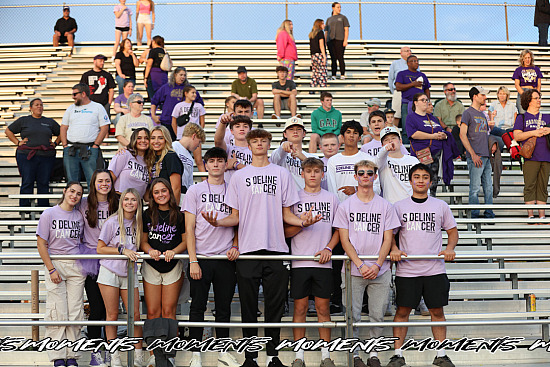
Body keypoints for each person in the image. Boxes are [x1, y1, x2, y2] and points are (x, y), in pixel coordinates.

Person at [202, 128, 321, 367]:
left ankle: (273, 356)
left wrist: (303, 221)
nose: (258, 144)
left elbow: (287, 213)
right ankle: (250, 357)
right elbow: (235, 216)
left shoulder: (281, 174)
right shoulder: (238, 177)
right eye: (254, 141)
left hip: (276, 249)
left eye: (263, 141)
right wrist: (218, 221)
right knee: (248, 308)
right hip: (247, 250)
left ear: (269, 144)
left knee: (274, 307)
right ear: (249, 144)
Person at [386, 163, 458, 367]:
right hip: (407, 271)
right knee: (402, 312)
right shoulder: (399, 206)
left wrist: (450, 248)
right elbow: (389, 234)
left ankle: (441, 354)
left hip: (434, 269)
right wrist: (394, 248)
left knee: (437, 312)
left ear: (430, 181)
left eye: (424, 177)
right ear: (410, 181)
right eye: (416, 177)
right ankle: (398, 354)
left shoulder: (440, 206)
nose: (420, 180)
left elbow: (452, 232)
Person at [333, 160, 400, 367]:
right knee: (352, 315)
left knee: (377, 315)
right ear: (355, 176)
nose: (365, 176)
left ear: (374, 176)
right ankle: (354, 355)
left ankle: (373, 355)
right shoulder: (346, 206)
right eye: (361, 173)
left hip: (380, 269)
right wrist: (361, 265)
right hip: (354, 269)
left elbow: (388, 239)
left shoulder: (385, 205)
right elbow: (344, 240)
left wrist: (377, 265)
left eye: (369, 173)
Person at [183, 147, 240, 367]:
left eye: (220, 161)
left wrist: (236, 245)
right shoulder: (195, 191)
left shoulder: (233, 190)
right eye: (212, 161)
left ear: (226, 164)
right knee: (197, 306)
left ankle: (223, 351)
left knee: (223, 306)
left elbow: (239, 222)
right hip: (202, 258)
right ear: (205, 165)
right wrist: (193, 260)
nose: (216, 165)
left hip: (225, 259)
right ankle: (195, 352)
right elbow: (189, 227)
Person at [285, 158, 339, 367]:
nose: (313, 175)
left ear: (323, 174)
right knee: (299, 309)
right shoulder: (294, 198)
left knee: (323, 309)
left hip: (323, 262)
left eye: (317, 171)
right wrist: (303, 224)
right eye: (309, 171)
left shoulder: (332, 199)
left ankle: (326, 355)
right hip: (300, 262)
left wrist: (328, 248)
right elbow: (286, 232)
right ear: (302, 174)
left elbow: (339, 230)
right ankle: (299, 355)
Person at [37, 181, 85, 367]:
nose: (74, 196)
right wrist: (51, 269)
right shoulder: (49, 214)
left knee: (75, 311)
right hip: (55, 263)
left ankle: (72, 355)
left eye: (79, 194)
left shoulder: (79, 216)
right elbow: (41, 244)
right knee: (57, 311)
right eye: (72, 191)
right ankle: (58, 355)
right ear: (65, 191)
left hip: (75, 266)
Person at [141, 178, 186, 367]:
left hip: (172, 265)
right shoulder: (146, 214)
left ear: (170, 192)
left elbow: (185, 241)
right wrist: (149, 250)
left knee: (169, 312)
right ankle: (154, 354)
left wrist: (174, 251)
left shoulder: (179, 215)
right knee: (153, 312)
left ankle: (169, 355)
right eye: (156, 192)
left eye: (163, 191)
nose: (160, 195)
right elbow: (142, 241)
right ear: (152, 195)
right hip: (152, 265)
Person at [97, 188, 144, 367]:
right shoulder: (112, 222)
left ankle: (138, 355)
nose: (129, 203)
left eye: (133, 200)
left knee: (135, 315)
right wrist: (121, 250)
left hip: (130, 272)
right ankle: (114, 355)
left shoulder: (139, 223)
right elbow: (100, 248)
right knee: (112, 315)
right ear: (121, 202)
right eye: (126, 199)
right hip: (110, 271)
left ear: (138, 203)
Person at [78, 170, 119, 367]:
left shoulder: (118, 202)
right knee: (96, 309)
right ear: (93, 183)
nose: (104, 184)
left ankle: (112, 349)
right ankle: (96, 351)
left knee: (111, 310)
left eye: (107, 180)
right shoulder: (84, 203)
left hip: (113, 258)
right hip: (92, 258)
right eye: (100, 181)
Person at [5, 98, 60, 207]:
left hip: (46, 157)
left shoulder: (49, 121)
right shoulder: (24, 120)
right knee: (27, 182)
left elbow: (62, 132)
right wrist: (17, 142)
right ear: (31, 108)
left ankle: (43, 210)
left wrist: (56, 143)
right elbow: (8, 131)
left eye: (41, 105)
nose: (39, 107)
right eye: (36, 105)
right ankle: (24, 209)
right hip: (27, 156)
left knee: (44, 183)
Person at [60, 84, 110, 187]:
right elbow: (63, 127)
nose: (73, 97)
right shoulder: (70, 108)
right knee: (71, 182)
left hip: (90, 149)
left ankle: (93, 203)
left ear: (83, 94)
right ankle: (73, 203)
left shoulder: (97, 107)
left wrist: (96, 145)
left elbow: (105, 127)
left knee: (93, 181)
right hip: (71, 149)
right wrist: (65, 145)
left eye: (75, 94)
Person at [513, 89, 550, 220]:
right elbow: (517, 136)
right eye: (536, 98)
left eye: (539, 98)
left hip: (546, 156)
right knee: (530, 185)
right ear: (528, 100)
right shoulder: (522, 117)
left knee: (543, 186)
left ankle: (542, 217)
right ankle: (530, 216)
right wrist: (534, 132)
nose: (539, 100)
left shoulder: (547, 117)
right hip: (530, 157)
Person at [460, 86, 495, 219]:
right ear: (475, 96)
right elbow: (463, 135)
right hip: (476, 156)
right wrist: (473, 154)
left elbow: (485, 134)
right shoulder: (467, 113)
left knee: (488, 188)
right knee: (475, 188)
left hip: (485, 155)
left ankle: (489, 212)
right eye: (482, 95)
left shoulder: (482, 114)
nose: (485, 97)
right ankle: (474, 215)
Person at [327, 120, 379, 202]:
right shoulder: (333, 161)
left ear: (359, 138)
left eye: (355, 133)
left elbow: (377, 188)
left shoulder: (369, 159)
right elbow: (332, 190)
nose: (351, 135)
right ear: (342, 137)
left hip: (364, 208)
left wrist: (356, 189)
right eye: (348, 132)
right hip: (341, 209)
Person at [406, 93, 447, 197]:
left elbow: (439, 130)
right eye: (423, 100)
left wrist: (443, 135)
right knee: (422, 179)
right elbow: (414, 134)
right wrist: (433, 136)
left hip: (435, 154)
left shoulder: (432, 118)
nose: (426, 102)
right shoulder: (411, 117)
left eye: (427, 100)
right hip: (421, 153)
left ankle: (432, 202)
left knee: (433, 180)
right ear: (416, 103)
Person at [151, 66, 204, 140]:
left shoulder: (188, 89)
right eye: (181, 75)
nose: (183, 77)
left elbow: (200, 104)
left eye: (184, 75)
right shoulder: (166, 87)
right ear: (175, 75)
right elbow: (154, 101)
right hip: (167, 121)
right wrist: (153, 115)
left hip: (183, 123)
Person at [374, 126, 419, 203]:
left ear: (400, 141)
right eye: (386, 140)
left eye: (393, 138)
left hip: (412, 205)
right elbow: (377, 162)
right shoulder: (382, 161)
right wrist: (385, 149)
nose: (390, 141)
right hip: (391, 206)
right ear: (382, 145)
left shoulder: (413, 160)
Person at [269, 117, 317, 189]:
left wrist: (304, 159)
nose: (295, 132)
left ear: (304, 134)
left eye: (298, 129)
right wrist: (283, 146)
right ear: (285, 134)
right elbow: (276, 158)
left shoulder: (313, 157)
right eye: (291, 129)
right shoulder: (278, 153)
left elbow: (319, 175)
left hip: (306, 198)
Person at [395, 55, 431, 144]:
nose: (416, 62)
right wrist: (413, 84)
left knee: (421, 125)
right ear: (408, 63)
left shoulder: (422, 75)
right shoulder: (402, 74)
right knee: (406, 127)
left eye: (417, 61)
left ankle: (421, 146)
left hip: (420, 104)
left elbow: (426, 89)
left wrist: (427, 101)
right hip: (407, 104)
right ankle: (407, 148)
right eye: (413, 61)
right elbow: (398, 87)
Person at [109, 127, 152, 198]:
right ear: (133, 140)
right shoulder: (124, 154)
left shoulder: (149, 161)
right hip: (120, 198)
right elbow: (110, 177)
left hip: (137, 202)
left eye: (146, 138)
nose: (143, 140)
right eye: (139, 138)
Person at [147, 126, 183, 203]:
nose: (156, 141)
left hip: (169, 205)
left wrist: (173, 209)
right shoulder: (151, 158)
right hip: (156, 204)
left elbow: (176, 187)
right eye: (153, 138)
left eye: (160, 138)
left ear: (166, 140)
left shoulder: (171, 156)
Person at [215, 114, 253, 183]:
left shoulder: (256, 151)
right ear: (231, 131)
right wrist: (222, 123)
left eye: (245, 126)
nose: (242, 129)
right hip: (230, 189)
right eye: (237, 126)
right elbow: (218, 141)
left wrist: (236, 164)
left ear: (250, 131)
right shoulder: (228, 148)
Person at [173, 123, 206, 199]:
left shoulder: (190, 157)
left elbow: (189, 182)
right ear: (194, 136)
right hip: (173, 191)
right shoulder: (173, 147)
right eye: (199, 142)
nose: (198, 145)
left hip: (183, 193)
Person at [388, 46, 412, 126]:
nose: (409, 52)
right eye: (406, 51)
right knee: (396, 114)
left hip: (410, 92)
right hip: (399, 91)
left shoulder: (414, 63)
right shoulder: (395, 63)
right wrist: (395, 91)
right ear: (401, 53)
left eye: (410, 51)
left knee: (410, 114)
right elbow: (390, 79)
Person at [513, 50, 542, 114]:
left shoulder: (536, 69)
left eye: (529, 57)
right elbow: (517, 85)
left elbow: (539, 84)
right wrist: (524, 95)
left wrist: (536, 94)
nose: (527, 60)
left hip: (533, 91)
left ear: (531, 58)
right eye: (525, 58)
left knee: (533, 113)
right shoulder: (518, 70)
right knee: (523, 113)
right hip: (523, 91)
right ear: (522, 59)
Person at [325, 2, 350, 80]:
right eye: (337, 7)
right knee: (333, 58)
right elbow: (326, 31)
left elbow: (346, 29)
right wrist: (325, 41)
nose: (339, 9)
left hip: (340, 39)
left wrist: (345, 40)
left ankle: (342, 74)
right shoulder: (328, 19)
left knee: (340, 57)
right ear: (333, 8)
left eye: (340, 7)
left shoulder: (343, 18)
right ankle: (333, 75)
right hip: (330, 41)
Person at [309, 19, 328, 89]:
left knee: (315, 73)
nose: (324, 25)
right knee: (322, 72)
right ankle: (323, 88)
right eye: (322, 24)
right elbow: (321, 45)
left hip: (313, 56)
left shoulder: (312, 34)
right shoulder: (320, 33)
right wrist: (324, 57)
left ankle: (312, 88)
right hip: (320, 55)